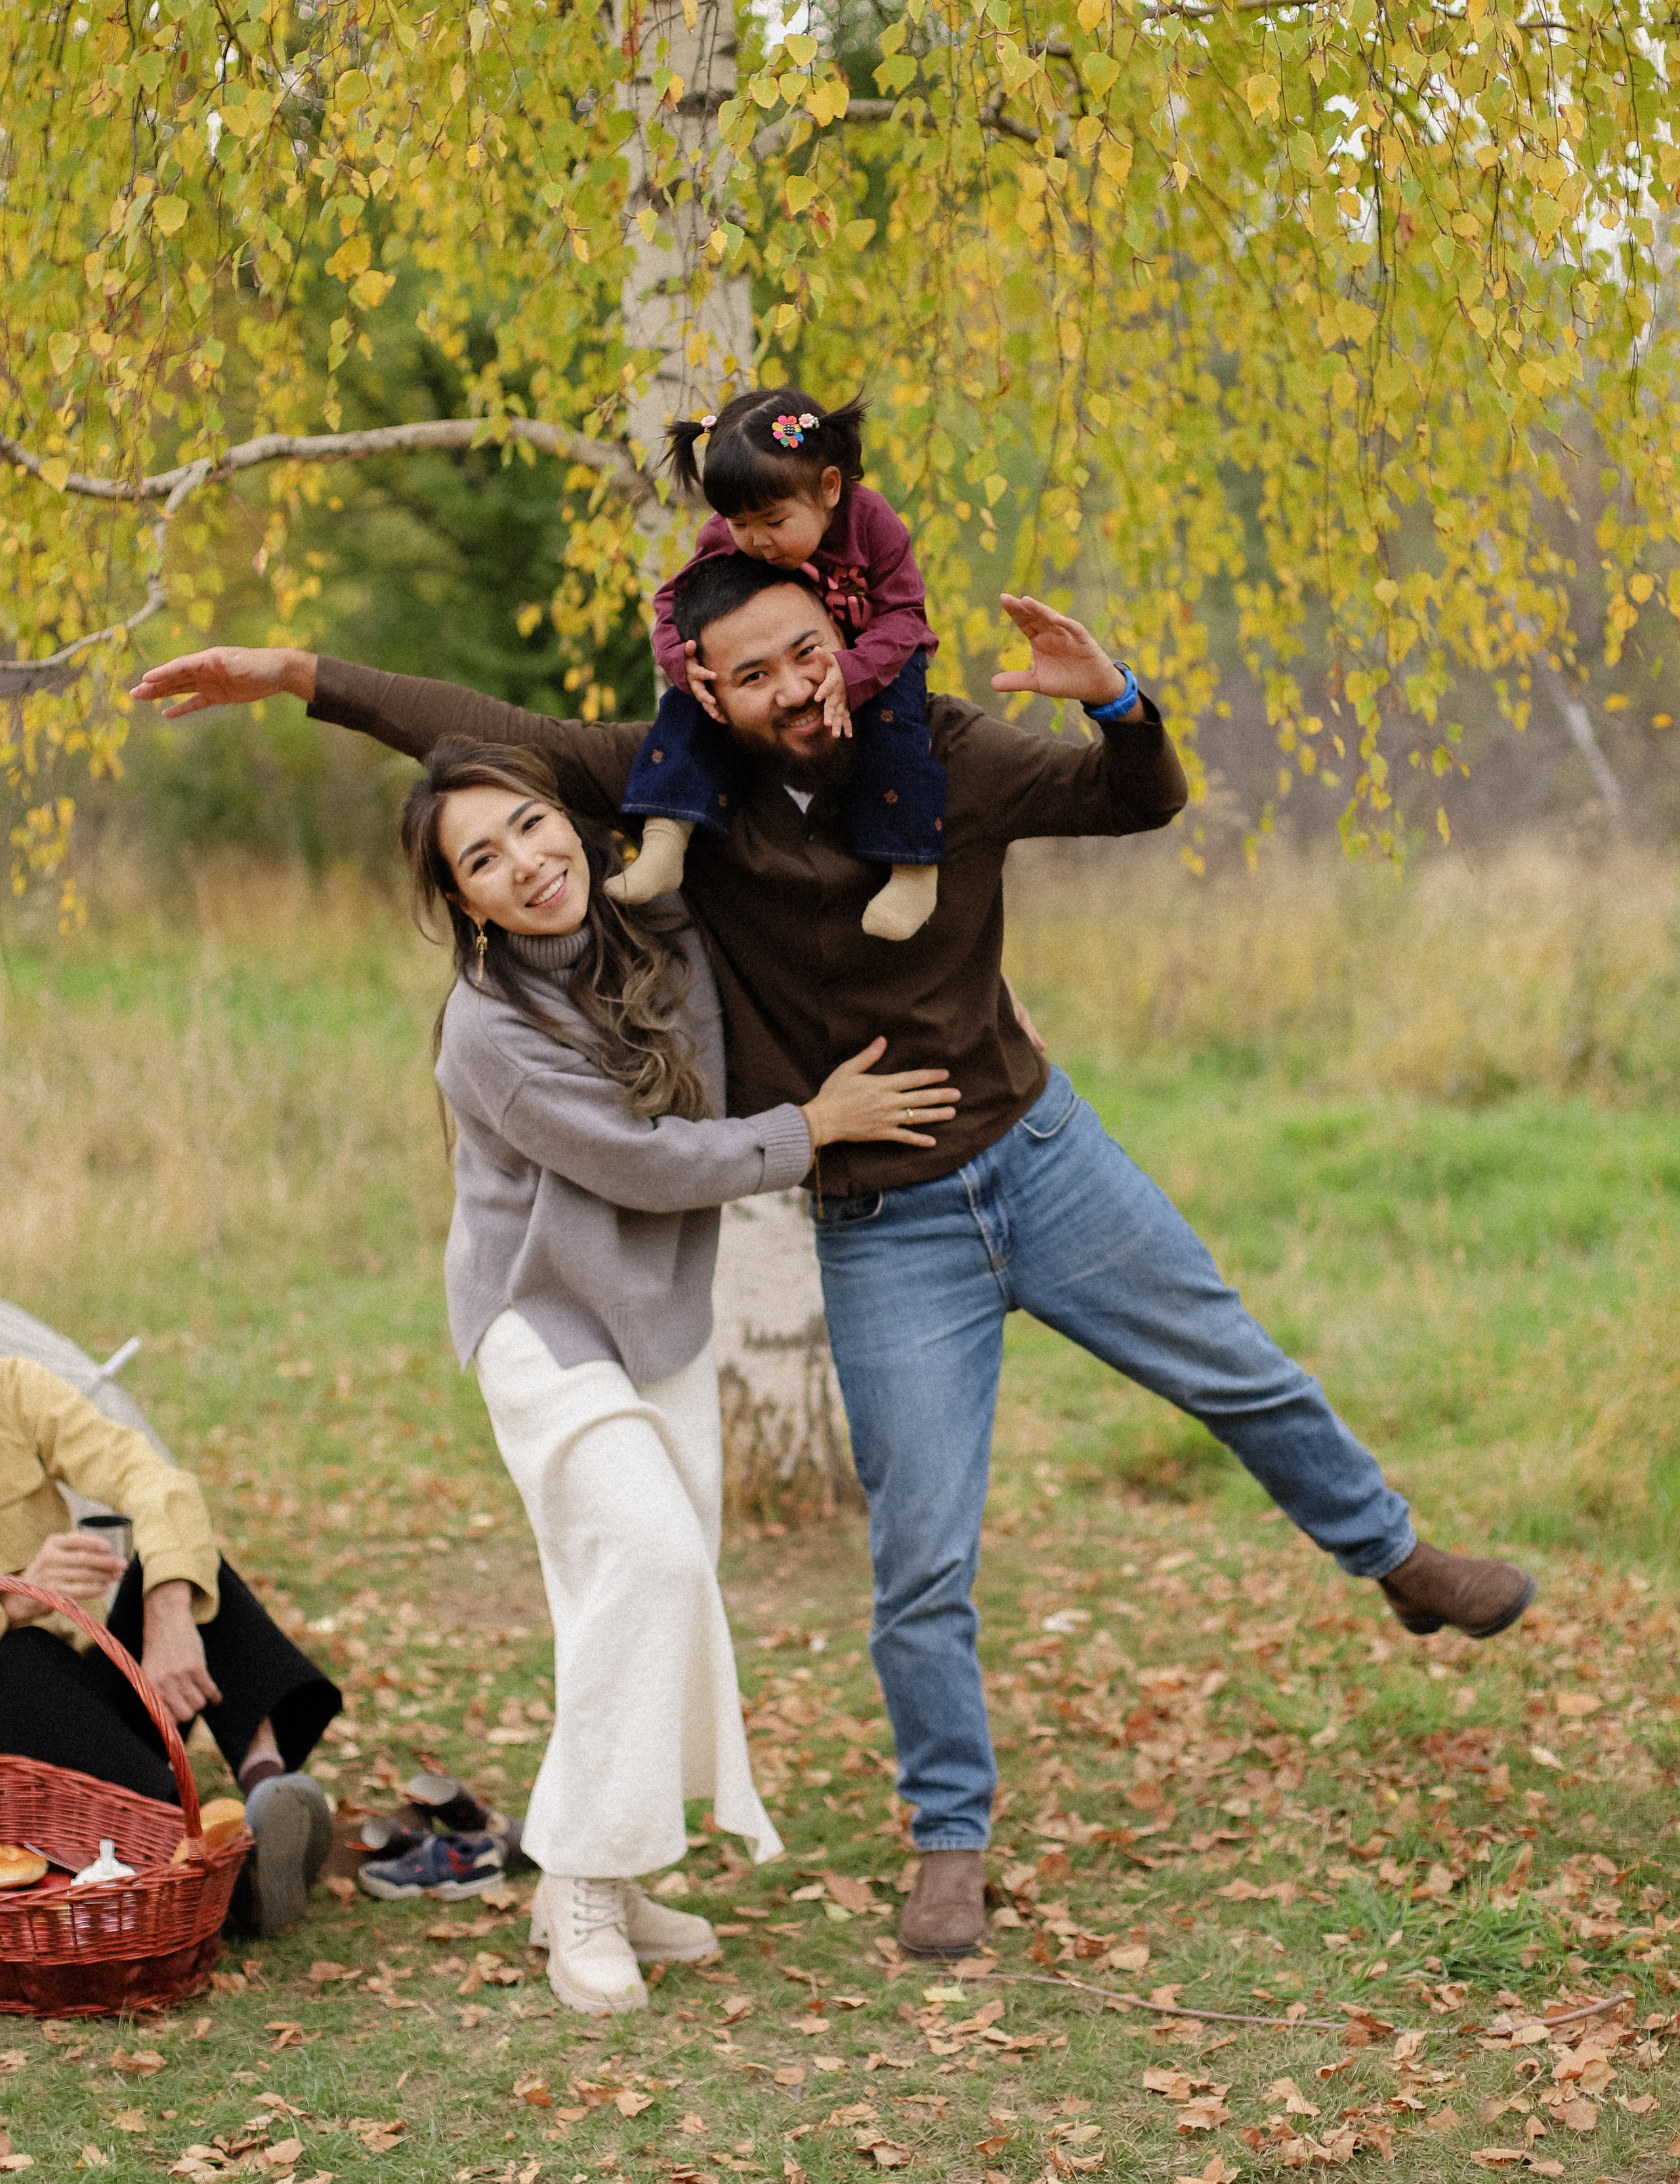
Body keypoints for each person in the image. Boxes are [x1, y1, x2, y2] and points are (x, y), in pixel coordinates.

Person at [134, 571, 1538, 1962]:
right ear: (710, 693)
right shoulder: (670, 793)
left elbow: (1136, 799)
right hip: (882, 1224)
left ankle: (1397, 1558)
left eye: (811, 652)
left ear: (844, 641)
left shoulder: (943, 748)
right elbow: (477, 733)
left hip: (1041, 1154)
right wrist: (297, 675)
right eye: (755, 673)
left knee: (1240, 1370)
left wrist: (1111, 700)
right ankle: (946, 1846)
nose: (797, 687)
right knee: (918, 1554)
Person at [392, 735, 959, 2010]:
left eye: (530, 828)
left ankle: (608, 1871)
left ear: (571, 821)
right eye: (483, 859)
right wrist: (809, 1133)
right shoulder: (486, 1030)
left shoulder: (664, 929)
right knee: (645, 1564)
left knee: (644, 1594)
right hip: (542, 1328)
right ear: (463, 902)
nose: (526, 864)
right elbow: (644, 1160)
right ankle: (582, 1885)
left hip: (660, 1316)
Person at [0, 1355, 340, 1937]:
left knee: (180, 1562)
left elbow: (154, 1478)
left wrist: (168, 1608)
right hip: (18, 1750)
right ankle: (210, 1876)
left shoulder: (12, 1387)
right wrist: (12, 1601)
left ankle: (268, 1796)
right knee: (18, 1658)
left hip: (89, 1694)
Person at [619, 386, 946, 943]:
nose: (756, 542)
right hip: (780, 658)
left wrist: (856, 668)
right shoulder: (727, 536)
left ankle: (913, 868)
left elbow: (905, 613)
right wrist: (681, 661)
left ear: (828, 488)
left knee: (898, 729)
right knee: (693, 697)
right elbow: (675, 602)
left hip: (880, 651)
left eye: (772, 521)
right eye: (740, 524)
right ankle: (666, 834)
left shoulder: (872, 524)